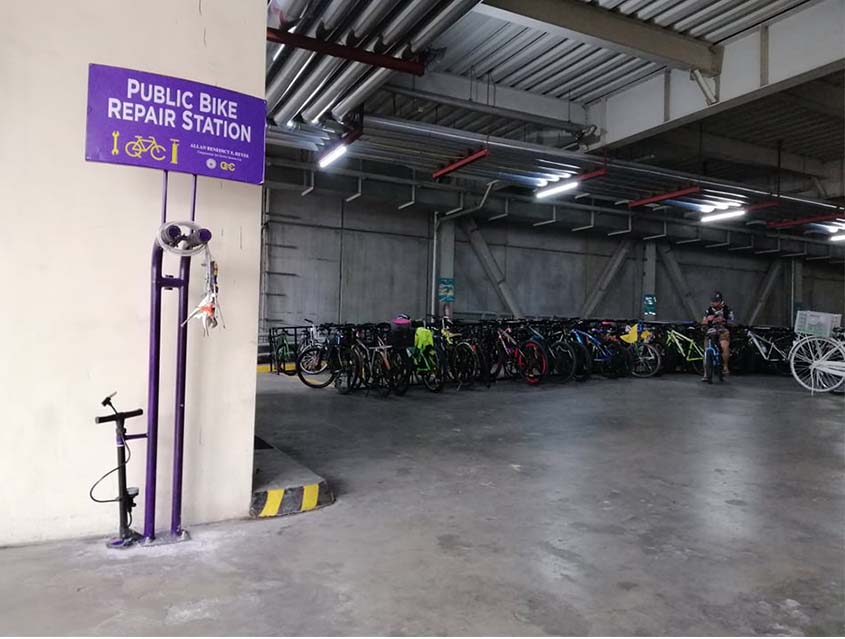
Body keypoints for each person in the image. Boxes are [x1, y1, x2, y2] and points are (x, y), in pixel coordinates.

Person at [701, 291, 734, 380]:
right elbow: (703, 323)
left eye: (716, 301)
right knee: (706, 350)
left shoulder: (727, 310)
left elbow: (732, 323)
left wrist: (723, 320)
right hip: (711, 331)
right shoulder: (708, 311)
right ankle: (706, 374)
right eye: (712, 301)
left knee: (724, 345)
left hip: (722, 330)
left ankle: (725, 367)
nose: (713, 303)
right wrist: (707, 319)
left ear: (720, 301)